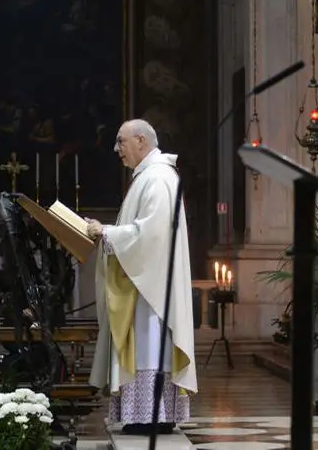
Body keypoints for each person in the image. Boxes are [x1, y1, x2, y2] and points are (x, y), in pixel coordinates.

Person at [84, 119, 197, 435]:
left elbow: (151, 235)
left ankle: (152, 416)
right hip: (144, 284)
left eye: (120, 141)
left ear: (141, 141)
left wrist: (106, 231)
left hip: (151, 292)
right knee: (146, 347)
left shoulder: (158, 178)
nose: (116, 149)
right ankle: (148, 415)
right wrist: (106, 231)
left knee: (149, 347)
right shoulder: (149, 177)